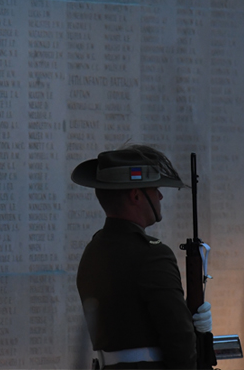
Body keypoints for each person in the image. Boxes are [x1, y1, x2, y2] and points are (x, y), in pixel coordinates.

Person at [72, 145, 212, 369]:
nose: (160, 196)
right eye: (154, 188)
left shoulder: (93, 251)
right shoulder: (151, 255)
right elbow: (179, 339)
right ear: (136, 195)